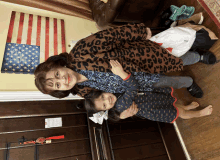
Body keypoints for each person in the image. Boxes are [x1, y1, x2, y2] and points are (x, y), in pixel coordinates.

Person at [34, 22, 217, 98]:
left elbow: (111, 35)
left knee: (174, 59)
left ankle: (199, 56)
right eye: (57, 85)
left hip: (141, 58)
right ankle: (189, 83)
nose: (62, 80)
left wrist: (138, 31)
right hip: (141, 82)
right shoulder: (82, 91)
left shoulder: (80, 51)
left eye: (57, 75)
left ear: (60, 64)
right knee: (169, 80)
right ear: (60, 91)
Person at [84, 60, 213, 124]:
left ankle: (186, 106)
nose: (108, 99)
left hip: (152, 101)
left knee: (174, 105)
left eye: (103, 96)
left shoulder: (115, 99)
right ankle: (200, 114)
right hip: (153, 108)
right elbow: (132, 88)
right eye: (105, 105)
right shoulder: (120, 105)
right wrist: (122, 73)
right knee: (179, 113)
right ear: (106, 110)